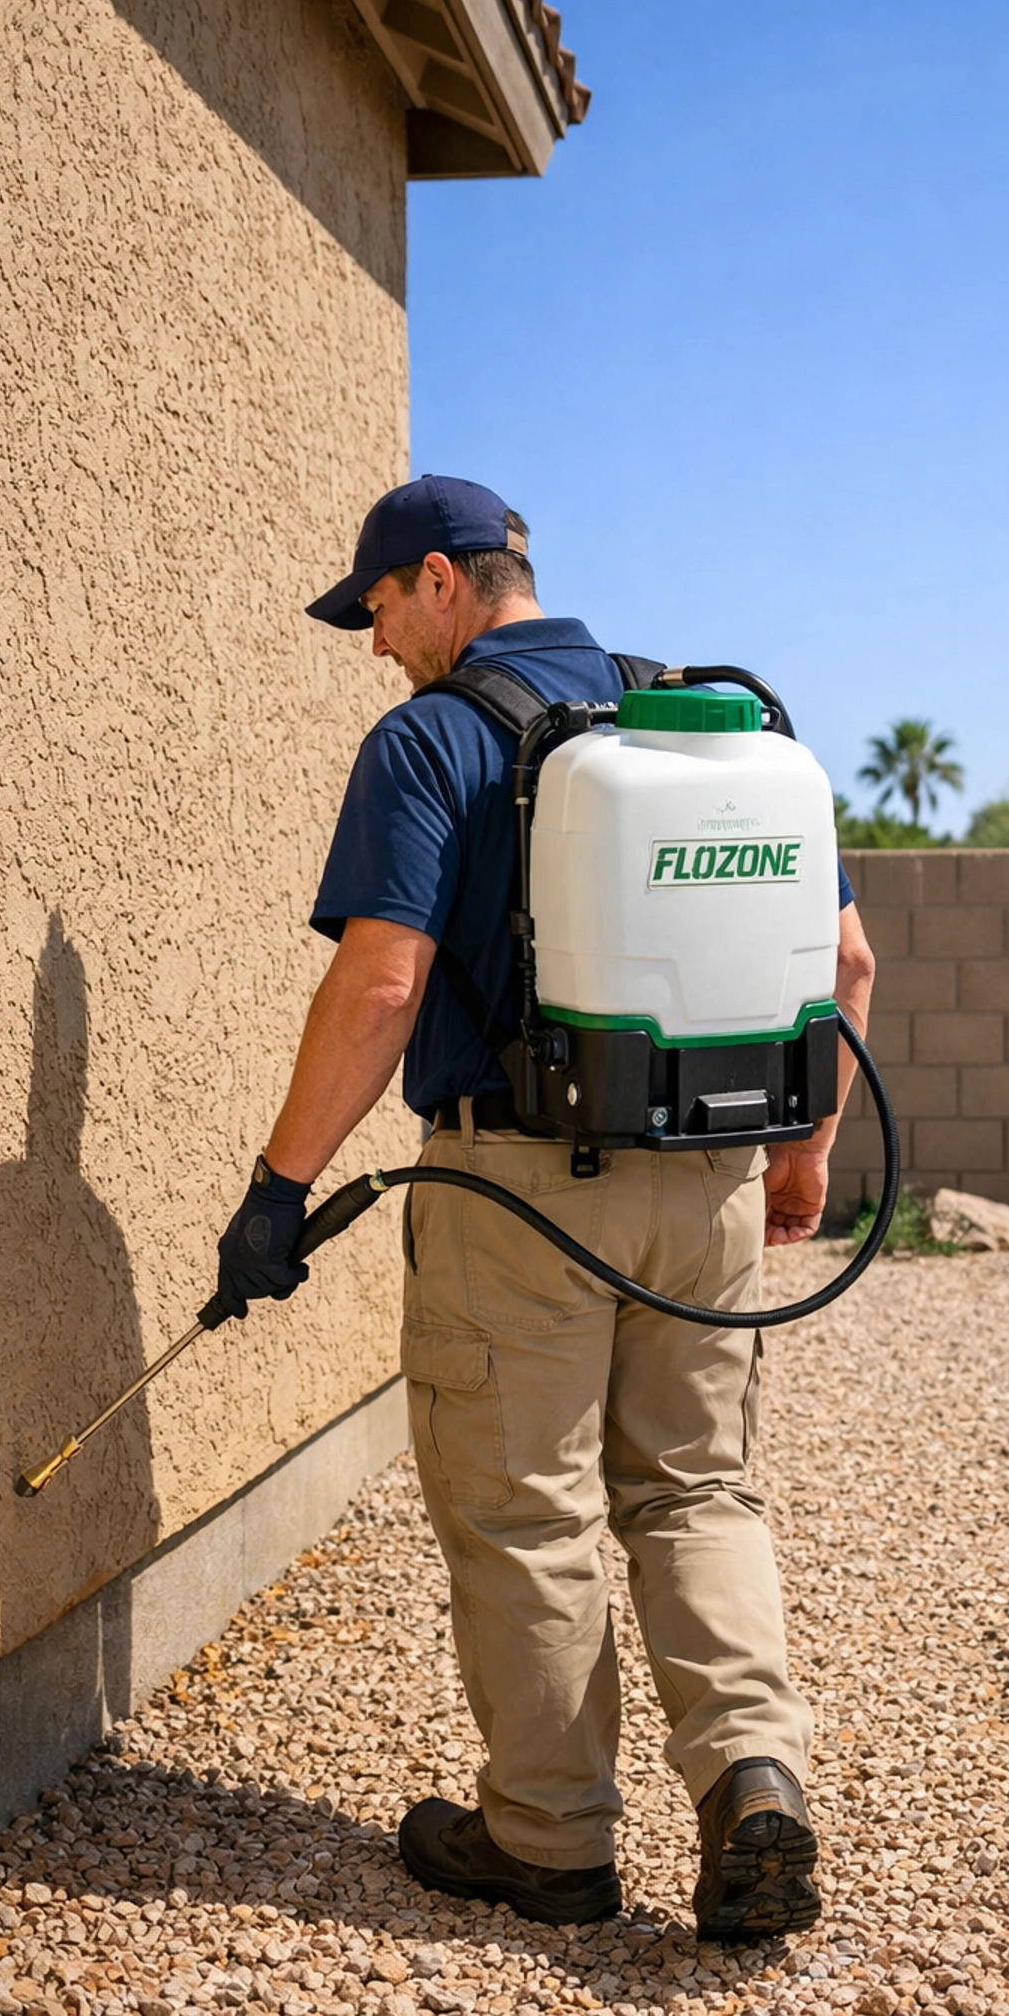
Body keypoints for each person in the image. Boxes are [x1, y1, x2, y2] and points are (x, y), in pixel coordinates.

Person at [215, 476, 875, 1939]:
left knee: (528, 1511)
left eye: (379, 607)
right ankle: (755, 1783)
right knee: (696, 1488)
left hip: (515, 1195)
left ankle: (550, 1841)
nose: (375, 642)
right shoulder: (700, 725)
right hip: (704, 1188)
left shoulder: (431, 740)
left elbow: (382, 985)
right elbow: (848, 962)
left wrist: (279, 1190)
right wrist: (798, 1154)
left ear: (445, 581)